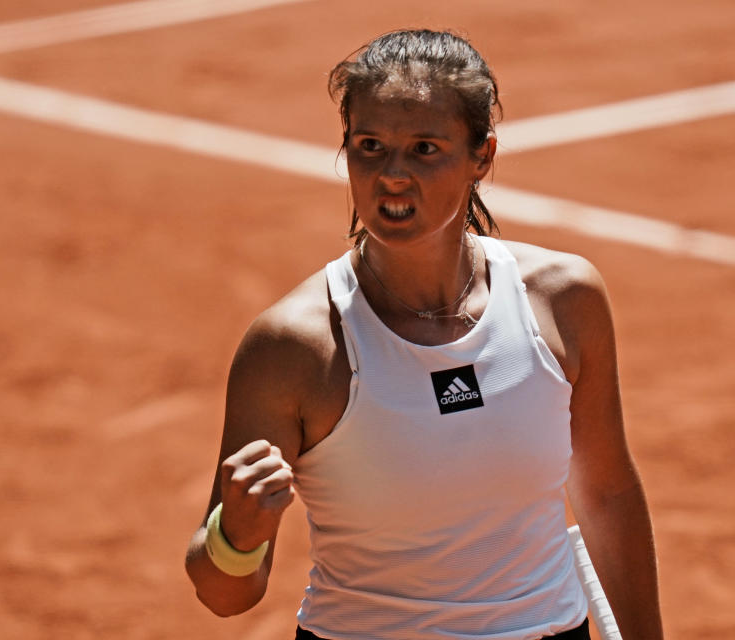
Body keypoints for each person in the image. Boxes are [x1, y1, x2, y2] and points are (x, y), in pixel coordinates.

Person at [185, 29, 663, 640]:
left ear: (481, 157)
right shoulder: (295, 347)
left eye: (424, 149)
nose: (392, 175)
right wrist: (236, 538)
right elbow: (223, 595)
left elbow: (606, 493)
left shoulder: (563, 300)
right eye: (369, 146)